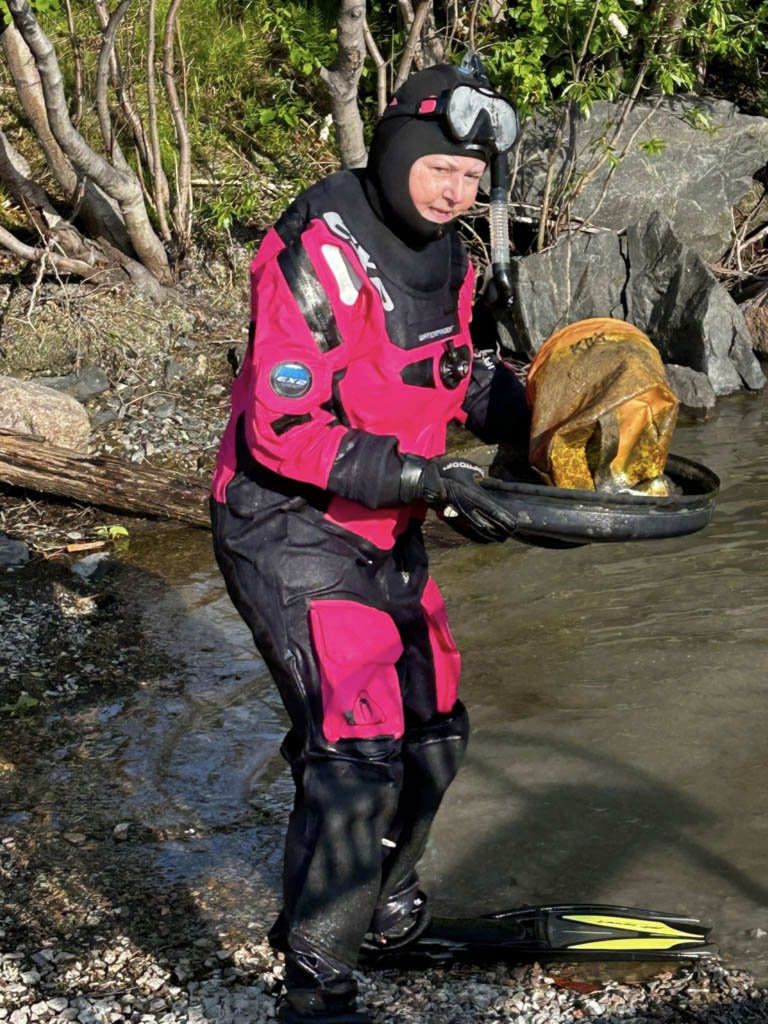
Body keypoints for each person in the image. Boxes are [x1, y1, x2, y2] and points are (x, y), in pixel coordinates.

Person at [210, 62, 529, 1024]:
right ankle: (318, 984)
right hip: (287, 525)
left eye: (473, 180)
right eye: (440, 169)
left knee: (436, 736)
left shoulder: (455, 257)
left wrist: (532, 412)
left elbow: (460, 374)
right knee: (356, 753)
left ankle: (382, 909)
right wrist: (428, 479)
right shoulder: (320, 248)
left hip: (387, 526)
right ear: (396, 152)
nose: (455, 191)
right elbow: (280, 429)